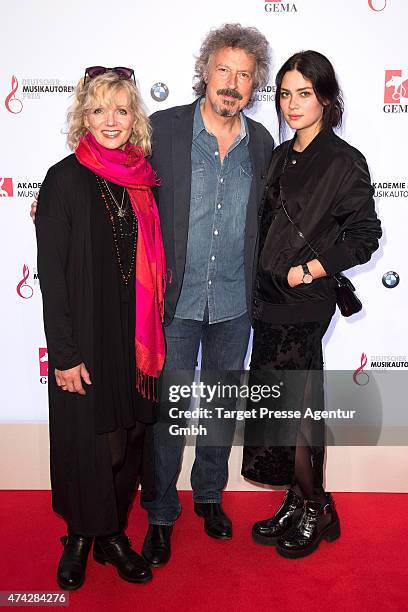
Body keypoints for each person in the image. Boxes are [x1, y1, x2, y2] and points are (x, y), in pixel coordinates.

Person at [140, 24, 274, 566]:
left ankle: (211, 495)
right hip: (175, 303)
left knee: (219, 407)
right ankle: (160, 512)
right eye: (224, 70)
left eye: (245, 75)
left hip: (234, 303)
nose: (232, 83)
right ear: (204, 71)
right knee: (170, 415)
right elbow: (119, 177)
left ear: (254, 84)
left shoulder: (261, 143)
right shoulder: (164, 129)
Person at [241, 50, 382, 558]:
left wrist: (310, 270)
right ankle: (297, 499)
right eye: (284, 93)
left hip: (304, 301)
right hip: (268, 302)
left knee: (300, 407)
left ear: (325, 97)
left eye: (304, 93)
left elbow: (365, 235)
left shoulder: (343, 160)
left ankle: (317, 506)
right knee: (282, 406)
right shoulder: (281, 155)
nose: (292, 104)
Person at [36, 67, 166, 589]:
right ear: (82, 118)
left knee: (129, 441)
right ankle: (80, 536)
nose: (110, 120)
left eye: (121, 109)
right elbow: (53, 278)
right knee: (90, 445)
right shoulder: (63, 179)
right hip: (84, 340)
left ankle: (111, 533)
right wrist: (63, 354)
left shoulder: (144, 180)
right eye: (98, 110)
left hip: (132, 340)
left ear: (134, 117)